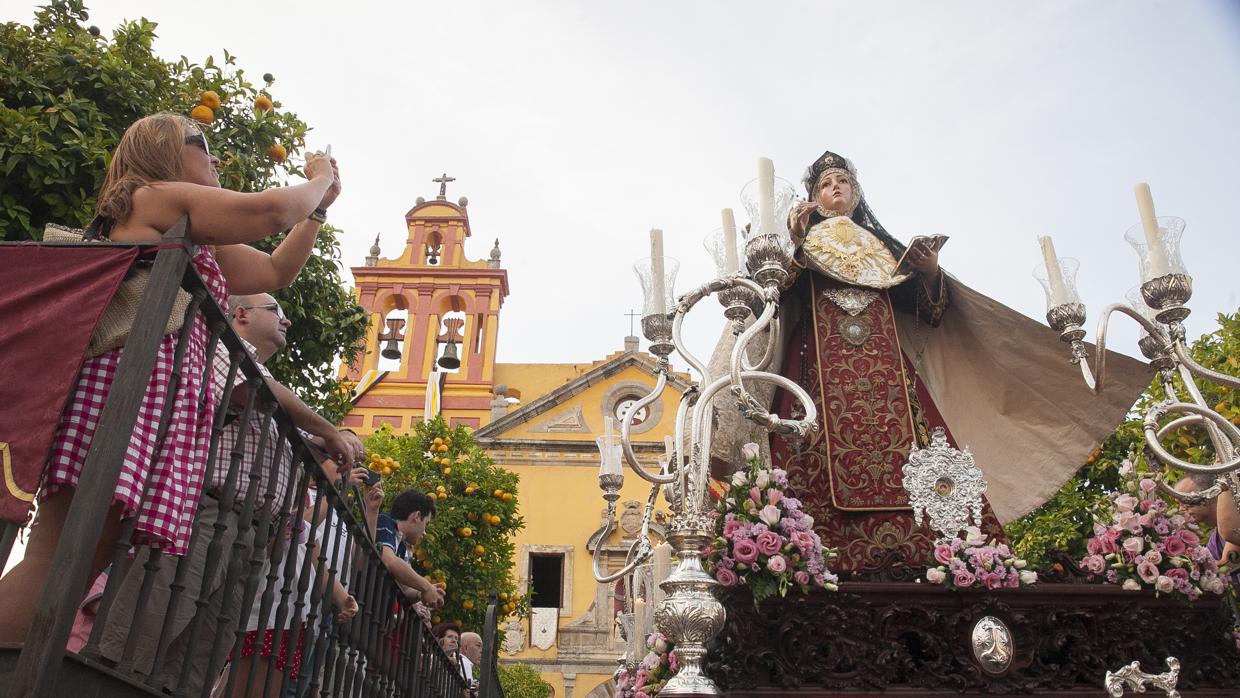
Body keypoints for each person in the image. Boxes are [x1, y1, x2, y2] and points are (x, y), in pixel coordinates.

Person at [710, 149, 1150, 573]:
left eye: (843, 181)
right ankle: (805, 552)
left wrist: (930, 270)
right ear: (813, 197)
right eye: (826, 184)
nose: (836, 188)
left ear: (857, 193)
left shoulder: (879, 247)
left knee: (916, 455)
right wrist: (794, 242)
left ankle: (960, 560)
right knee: (809, 449)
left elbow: (930, 311)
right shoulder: (800, 241)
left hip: (888, 375)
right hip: (817, 364)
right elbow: (770, 294)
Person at [0, 112, 345, 642]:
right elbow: (274, 208)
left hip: (157, 396)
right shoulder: (153, 196)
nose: (214, 157)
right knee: (58, 546)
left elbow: (274, 272)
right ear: (163, 148)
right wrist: (319, 176)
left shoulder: (188, 224)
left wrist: (317, 212)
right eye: (201, 142)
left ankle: (29, 661)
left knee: (86, 551)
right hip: (124, 386)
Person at [94, 291, 362, 690]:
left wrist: (331, 441)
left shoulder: (271, 396)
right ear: (240, 313)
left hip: (252, 534)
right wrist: (328, 431)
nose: (286, 321)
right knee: (145, 631)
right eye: (277, 312)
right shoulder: (224, 350)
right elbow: (261, 392)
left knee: (197, 661)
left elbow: (304, 436)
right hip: (212, 516)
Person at [367, 488, 447, 608]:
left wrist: (421, 594)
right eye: (426, 524)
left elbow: (404, 588)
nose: (424, 532)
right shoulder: (384, 520)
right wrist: (427, 587)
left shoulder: (402, 546)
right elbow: (389, 561)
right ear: (417, 516)